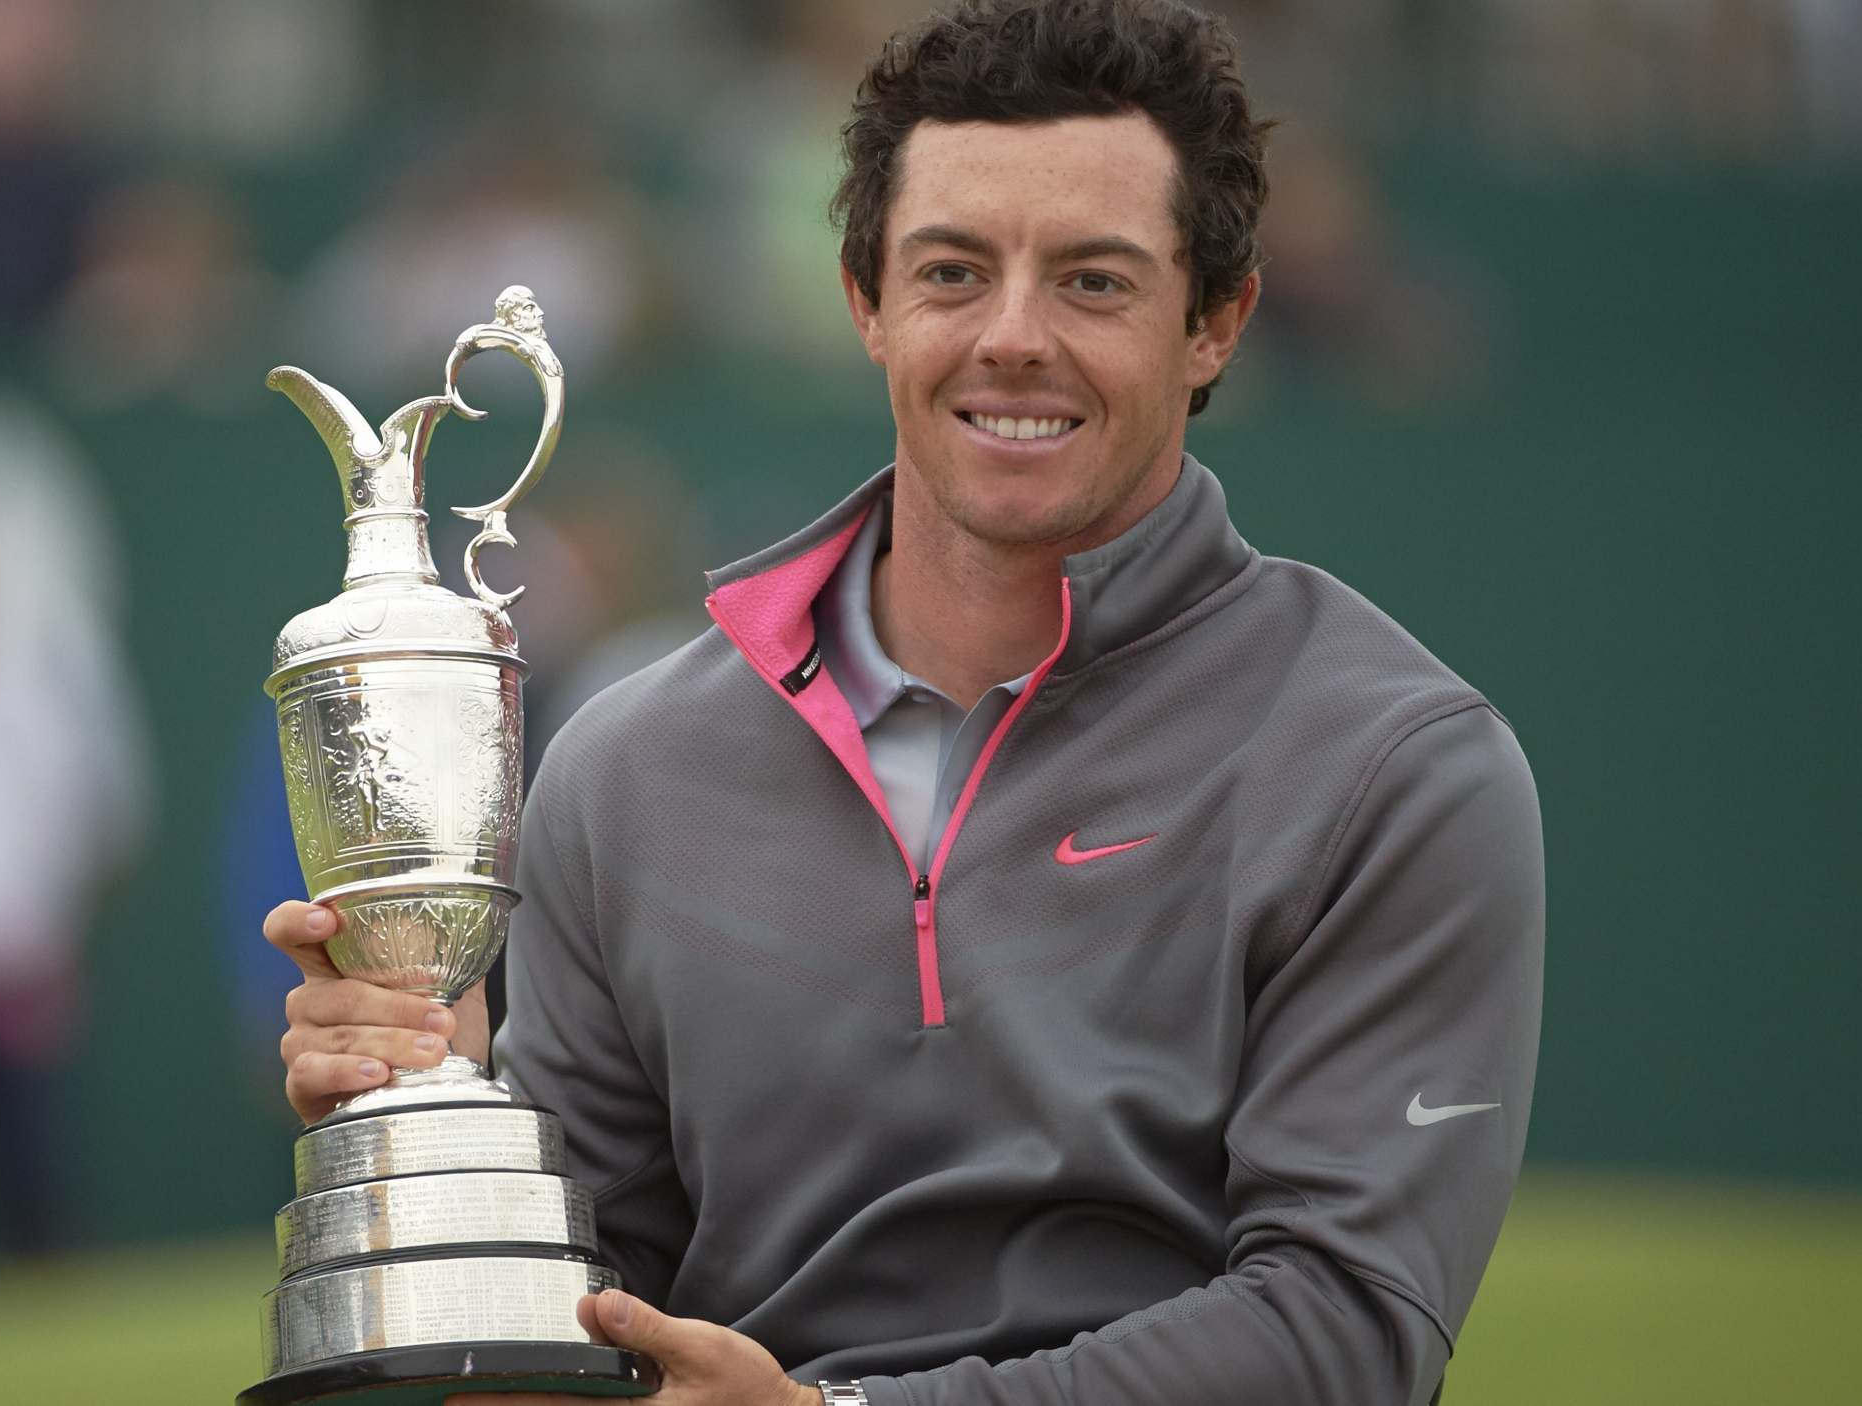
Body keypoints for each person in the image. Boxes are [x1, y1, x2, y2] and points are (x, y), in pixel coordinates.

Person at [268, 4, 1544, 1404]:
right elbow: (577, 1333)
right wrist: (439, 1142)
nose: (1014, 337)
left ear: (1216, 322)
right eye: (952, 272)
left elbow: (1343, 1333)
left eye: (1094, 282)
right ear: (866, 303)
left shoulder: (1394, 762)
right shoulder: (628, 768)